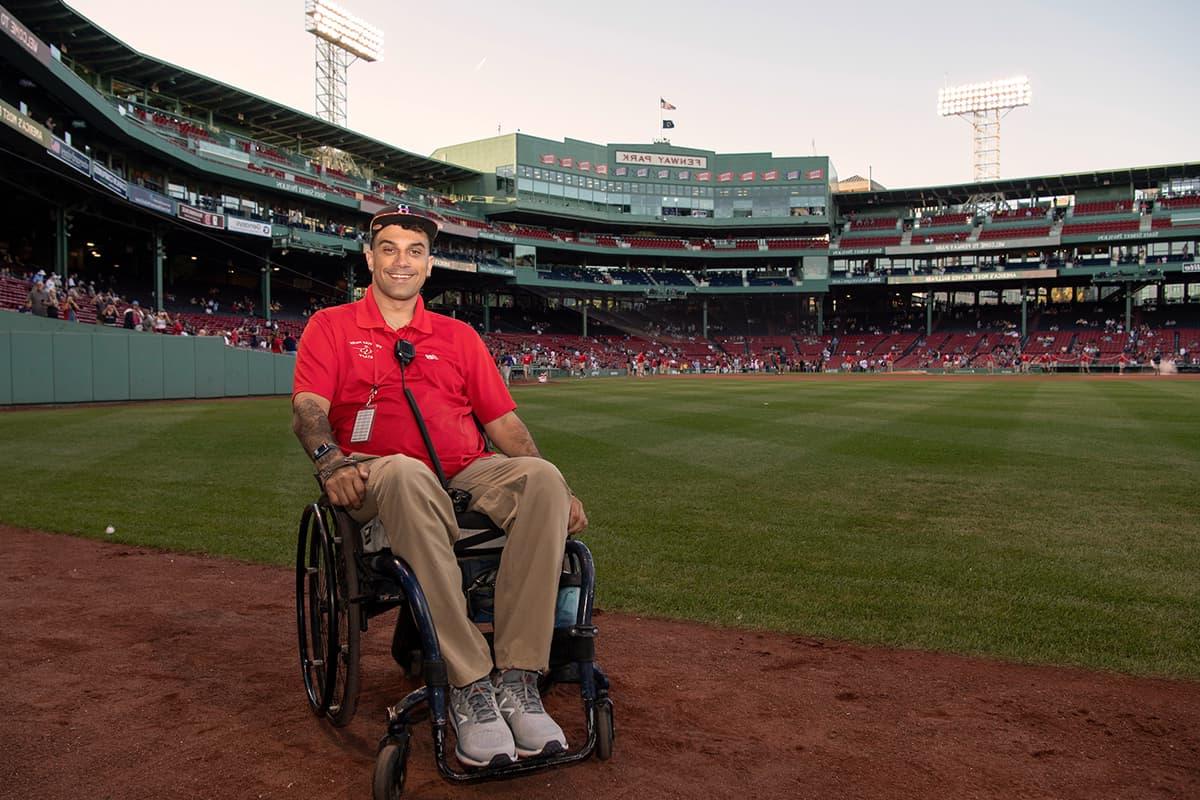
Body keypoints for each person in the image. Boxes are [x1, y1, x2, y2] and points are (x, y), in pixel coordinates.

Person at [291, 207, 587, 769]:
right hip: (378, 472)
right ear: (370, 257)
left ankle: (519, 677)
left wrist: (559, 485)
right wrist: (330, 461)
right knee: (405, 469)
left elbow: (504, 426)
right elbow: (309, 408)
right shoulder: (331, 326)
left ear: (429, 266)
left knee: (544, 479)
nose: (402, 260)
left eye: (415, 251)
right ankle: (471, 681)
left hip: (465, 470)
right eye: (389, 248)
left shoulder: (457, 335)